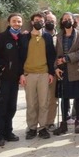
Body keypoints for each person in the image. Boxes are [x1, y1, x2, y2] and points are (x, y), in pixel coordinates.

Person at [0, 13, 23, 147]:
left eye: (19, 22)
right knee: (2, 104)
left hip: (15, 78)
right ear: (9, 23)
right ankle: (0, 134)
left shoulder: (21, 38)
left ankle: (9, 131)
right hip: (3, 77)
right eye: (14, 21)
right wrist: (2, 65)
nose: (17, 24)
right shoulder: (2, 37)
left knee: (12, 106)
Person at [19, 12, 56, 140]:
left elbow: (51, 56)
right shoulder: (24, 37)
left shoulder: (47, 37)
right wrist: (21, 74)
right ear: (32, 22)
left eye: (41, 20)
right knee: (31, 103)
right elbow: (19, 58)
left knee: (44, 103)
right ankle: (32, 128)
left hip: (44, 73)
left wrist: (51, 72)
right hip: (29, 74)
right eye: (36, 20)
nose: (38, 22)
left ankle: (43, 128)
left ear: (44, 22)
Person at [52, 12, 79, 135]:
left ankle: (78, 121)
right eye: (64, 19)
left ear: (73, 21)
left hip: (77, 70)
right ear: (62, 21)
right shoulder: (58, 36)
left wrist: (67, 58)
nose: (67, 21)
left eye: (69, 19)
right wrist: (56, 66)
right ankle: (64, 123)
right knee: (64, 98)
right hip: (63, 71)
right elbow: (55, 54)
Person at [44, 11, 59, 131]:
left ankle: (50, 122)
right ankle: (39, 123)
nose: (50, 23)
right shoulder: (39, 36)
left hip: (55, 72)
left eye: (52, 21)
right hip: (41, 70)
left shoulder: (60, 37)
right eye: (48, 21)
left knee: (53, 99)